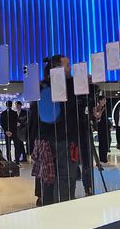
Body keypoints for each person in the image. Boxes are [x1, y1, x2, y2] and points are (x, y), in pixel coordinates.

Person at [29, 55, 81, 205]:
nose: (70, 68)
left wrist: (33, 141)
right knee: (65, 176)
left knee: (47, 177)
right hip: (64, 138)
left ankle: (48, 206)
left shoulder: (42, 86)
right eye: (67, 65)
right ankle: (64, 207)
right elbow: (73, 111)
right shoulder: (70, 86)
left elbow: (34, 115)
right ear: (58, 68)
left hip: (45, 139)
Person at [94, 96, 111, 163]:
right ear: (100, 101)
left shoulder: (104, 108)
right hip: (102, 127)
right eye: (104, 100)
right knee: (103, 142)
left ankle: (104, 157)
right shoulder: (98, 108)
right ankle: (103, 158)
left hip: (105, 127)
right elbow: (97, 116)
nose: (105, 101)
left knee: (106, 141)